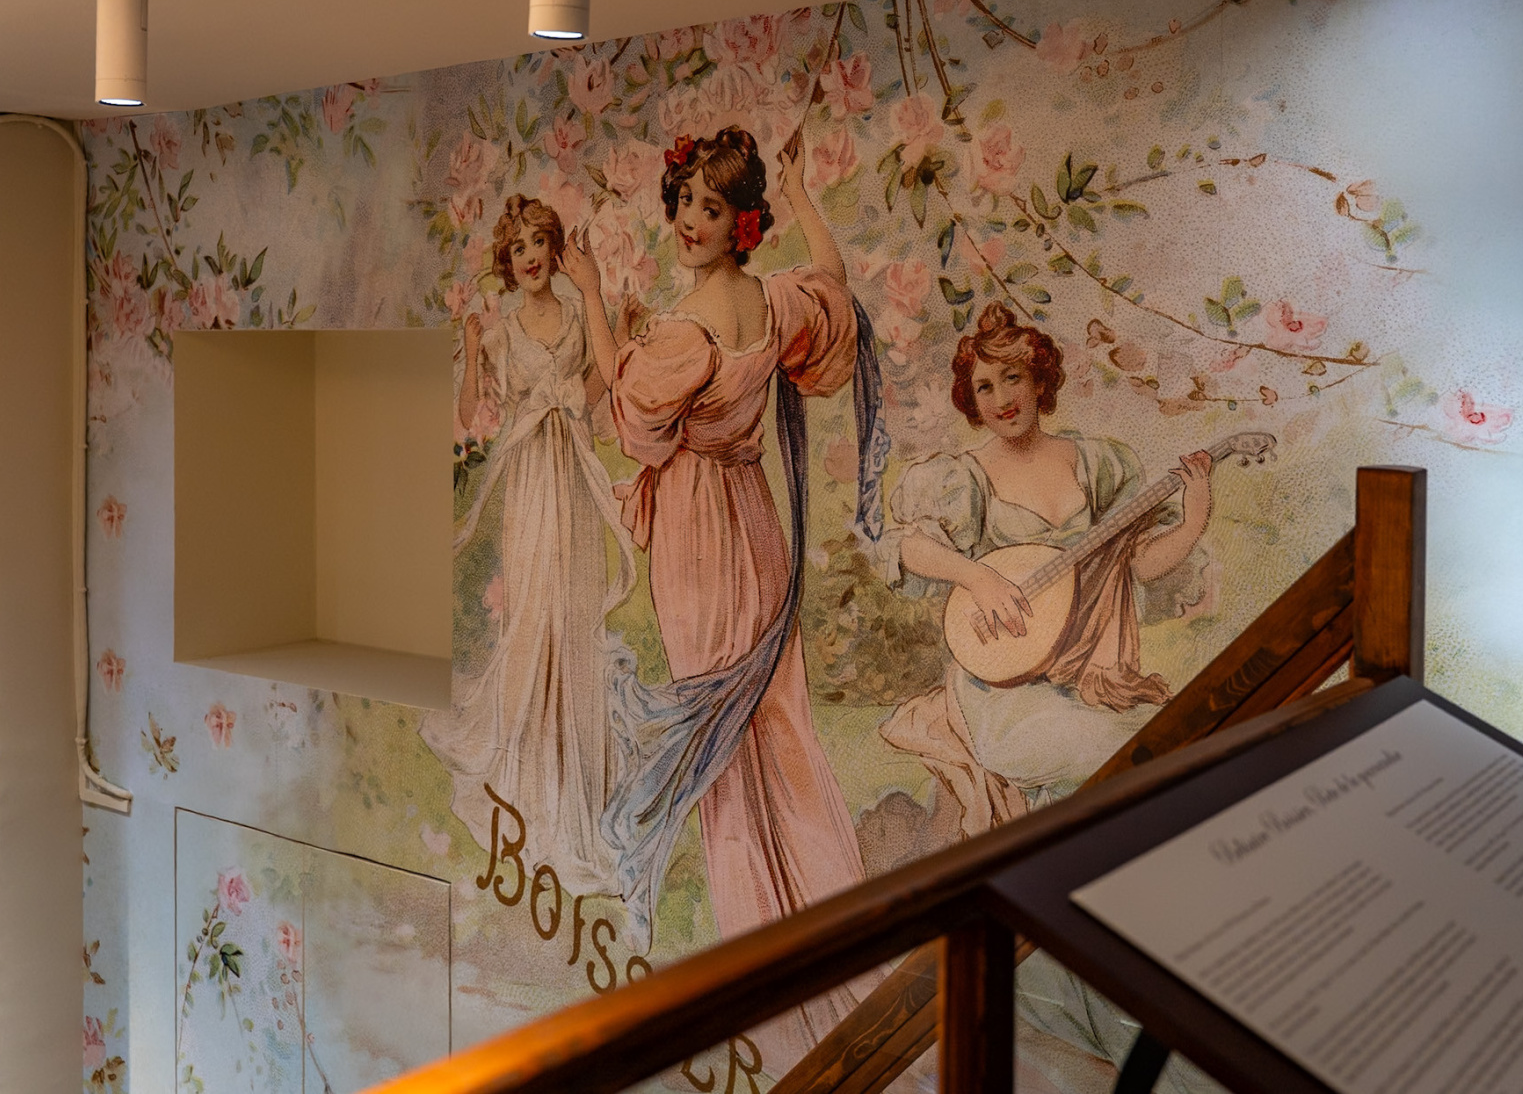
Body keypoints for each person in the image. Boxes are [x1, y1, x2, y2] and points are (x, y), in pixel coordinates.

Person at [593, 126, 876, 1071]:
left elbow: (634, 422)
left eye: (710, 208)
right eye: (684, 202)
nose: (688, 221)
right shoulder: (775, 302)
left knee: (726, 750)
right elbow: (834, 285)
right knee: (775, 724)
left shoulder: (684, 332)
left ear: (738, 224)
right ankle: (822, 931)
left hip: (700, 535)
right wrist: (801, 193)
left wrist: (596, 304)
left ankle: (758, 959)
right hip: (754, 521)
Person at [878, 301, 1213, 827]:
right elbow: (906, 547)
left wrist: (1192, 522)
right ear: (972, 400)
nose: (1002, 399)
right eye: (985, 387)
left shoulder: (1097, 464)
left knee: (1161, 740)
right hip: (1003, 689)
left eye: (1012, 378)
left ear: (1039, 381)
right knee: (1102, 751)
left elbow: (1134, 567)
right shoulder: (965, 477)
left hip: (1088, 670)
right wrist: (978, 577)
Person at [421, 194, 634, 896]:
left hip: (572, 474)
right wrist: (471, 346)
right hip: (531, 485)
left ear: (554, 249)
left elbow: (593, 393)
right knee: (535, 613)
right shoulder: (505, 332)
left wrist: (618, 330)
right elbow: (469, 412)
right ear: (508, 265)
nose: (533, 256)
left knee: (572, 615)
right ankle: (528, 780)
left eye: (540, 242)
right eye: (519, 249)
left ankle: (578, 783)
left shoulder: (575, 316)